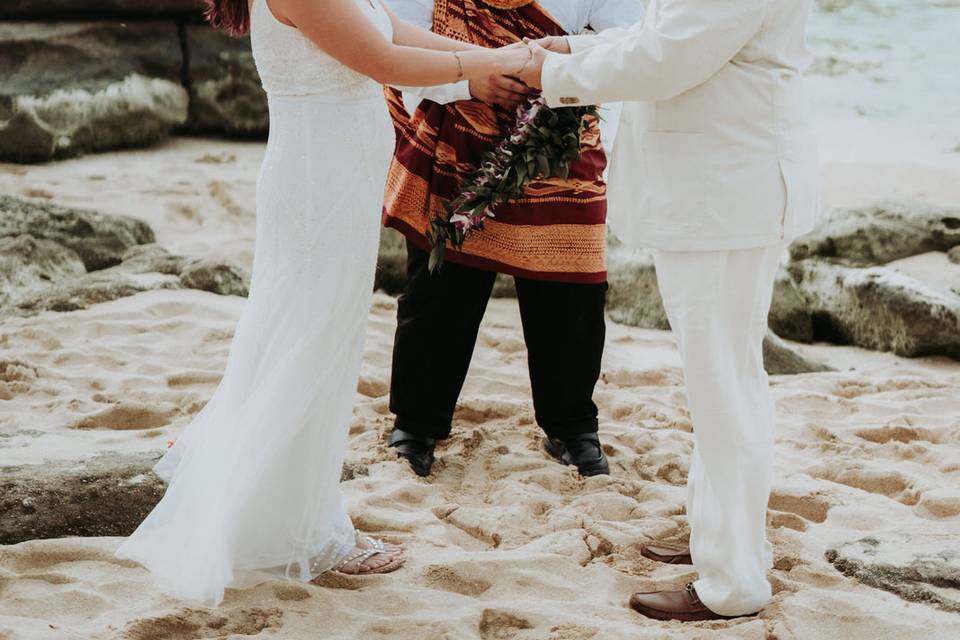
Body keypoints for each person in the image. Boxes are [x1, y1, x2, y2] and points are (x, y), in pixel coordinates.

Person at [115, 0, 532, 607]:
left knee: (314, 341)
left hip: (339, 171)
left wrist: (499, 57)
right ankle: (303, 530)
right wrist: (475, 75)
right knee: (309, 345)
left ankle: (289, 514)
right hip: (319, 179)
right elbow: (381, 59)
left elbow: (392, 30)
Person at [516, 0, 821, 622]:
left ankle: (731, 581)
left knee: (722, 385)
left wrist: (549, 76)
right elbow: (663, 34)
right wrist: (573, 51)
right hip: (725, 189)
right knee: (729, 378)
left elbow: (666, 60)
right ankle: (723, 534)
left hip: (724, 195)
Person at [381, 0, 644, 478]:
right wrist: (468, 78)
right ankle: (417, 424)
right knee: (439, 287)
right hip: (457, 120)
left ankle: (572, 428)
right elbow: (394, 35)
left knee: (573, 287)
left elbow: (636, 36)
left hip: (562, 130)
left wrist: (562, 59)